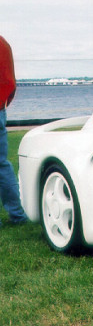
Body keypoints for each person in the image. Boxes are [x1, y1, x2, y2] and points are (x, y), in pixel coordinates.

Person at [0, 35, 27, 224]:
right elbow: (10, 81)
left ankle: (17, 215)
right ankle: (17, 215)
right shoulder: (3, 43)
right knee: (1, 164)